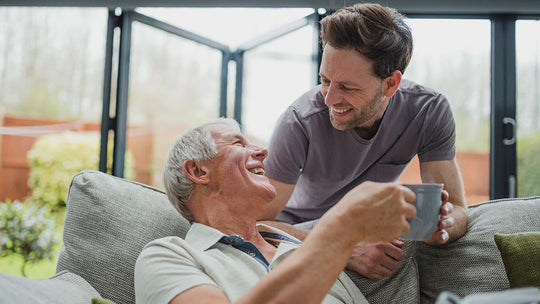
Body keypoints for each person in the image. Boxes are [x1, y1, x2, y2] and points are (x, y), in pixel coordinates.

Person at [259, 2, 468, 280]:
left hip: (366, 226)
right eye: (324, 81)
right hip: (303, 229)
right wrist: (343, 246)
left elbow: (457, 207)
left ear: (391, 84)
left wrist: (439, 225)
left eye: (346, 87)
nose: (329, 98)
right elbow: (255, 223)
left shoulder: (428, 110)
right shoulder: (299, 121)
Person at [134, 118, 417, 304]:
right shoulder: (167, 256)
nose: (263, 152)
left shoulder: (303, 248)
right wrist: (340, 227)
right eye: (238, 143)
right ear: (198, 170)